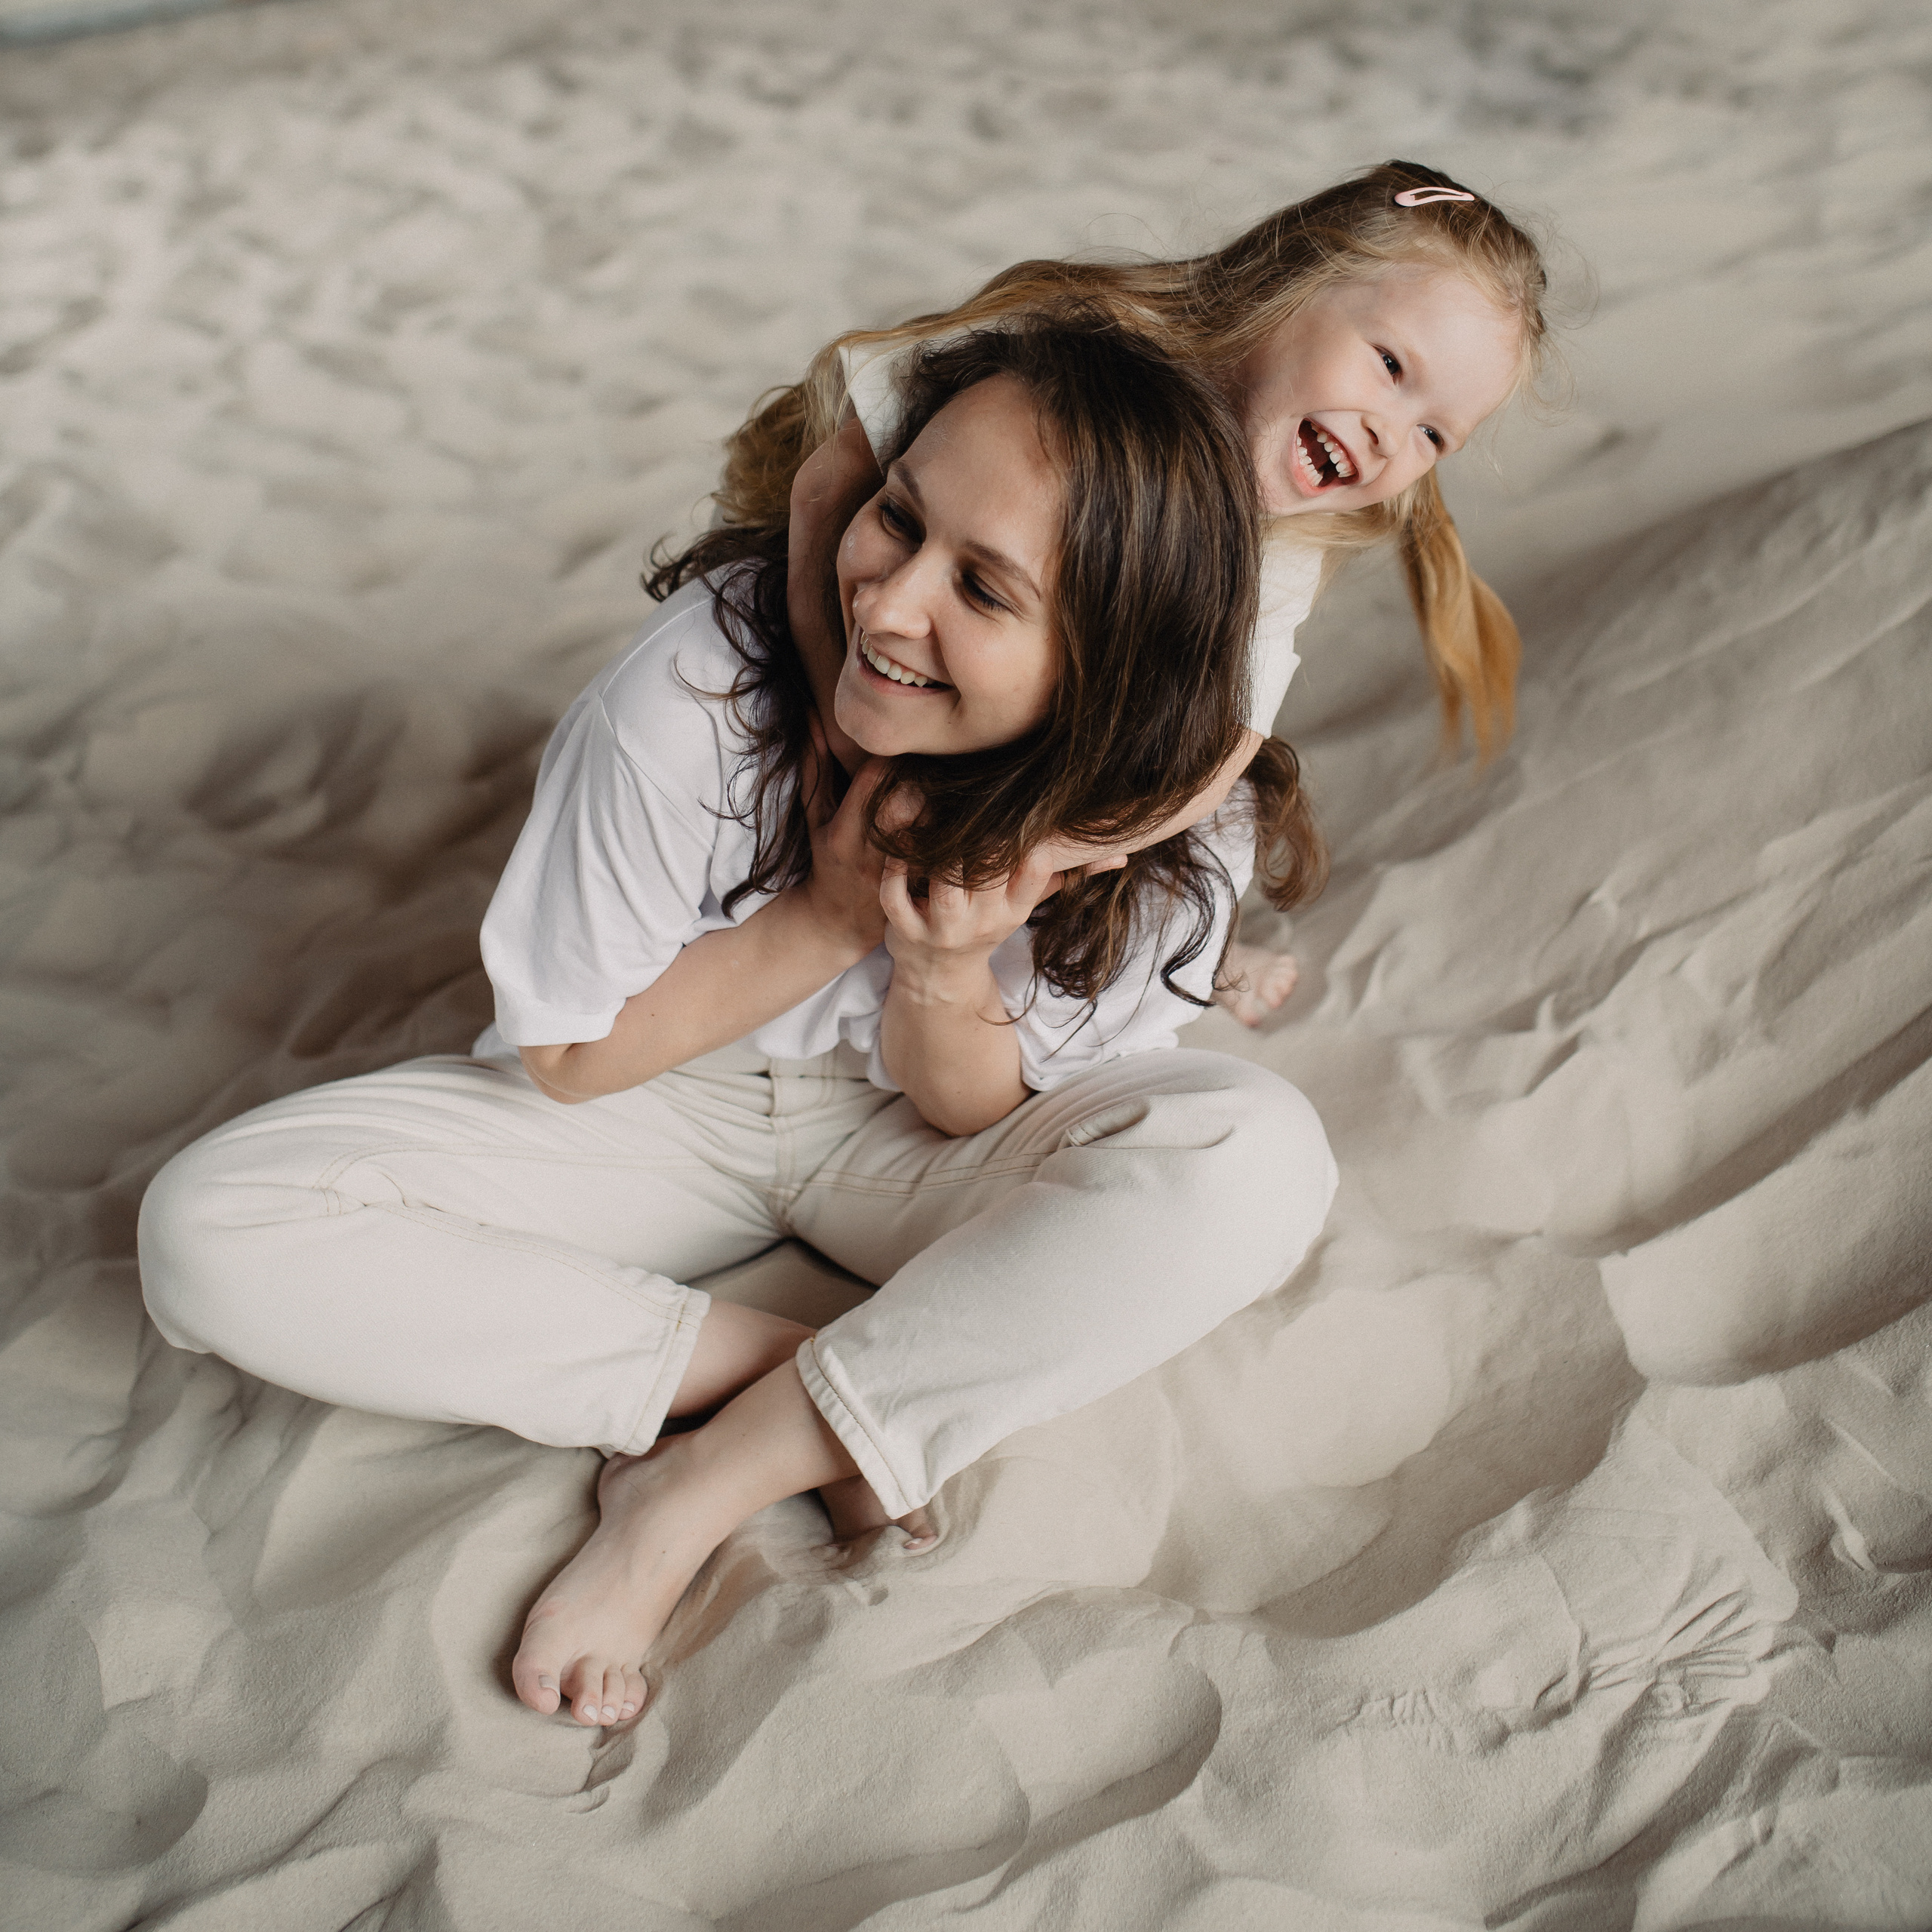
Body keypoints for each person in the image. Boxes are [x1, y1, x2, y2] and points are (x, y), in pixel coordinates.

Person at [140, 315, 1339, 1732]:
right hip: (663, 1105)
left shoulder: (1162, 825)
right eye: (900, 519)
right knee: (209, 1231)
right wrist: (828, 919)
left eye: (987, 591)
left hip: (913, 1149)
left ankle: (696, 1483)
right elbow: (572, 1060)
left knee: (1256, 1158)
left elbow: (973, 1113)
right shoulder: (694, 688)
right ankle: (801, 1371)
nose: (892, 607)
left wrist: (944, 973)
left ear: (1106, 668)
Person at [750, 158, 1554, 1020]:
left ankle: (1193, 962)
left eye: (1434, 434)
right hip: (889, 621)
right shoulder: (1096, 346)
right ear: (1295, 281)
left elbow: (1216, 759)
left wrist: (1027, 844)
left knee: (1210, 818)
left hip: (1031, 715)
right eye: (1390, 366)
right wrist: (846, 731)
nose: (1391, 439)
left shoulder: (1282, 542)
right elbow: (825, 484)